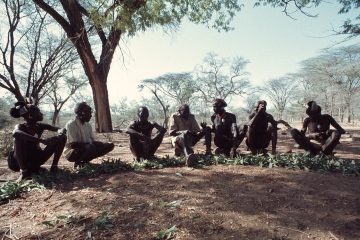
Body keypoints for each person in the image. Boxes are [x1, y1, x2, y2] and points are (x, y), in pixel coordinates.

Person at [8, 102, 67, 181]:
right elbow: (15, 133)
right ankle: (24, 172)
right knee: (18, 139)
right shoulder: (20, 127)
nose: (41, 114)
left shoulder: (40, 126)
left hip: (36, 159)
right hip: (20, 162)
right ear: (30, 115)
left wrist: (60, 134)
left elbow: (61, 129)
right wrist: (41, 140)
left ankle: (54, 167)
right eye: (38, 112)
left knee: (62, 138)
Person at [64, 102, 114, 168]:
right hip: (72, 153)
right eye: (88, 113)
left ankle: (85, 163)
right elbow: (73, 145)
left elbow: (91, 141)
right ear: (81, 113)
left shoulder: (88, 125)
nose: (90, 115)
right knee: (91, 147)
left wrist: (98, 143)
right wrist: (90, 144)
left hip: (87, 148)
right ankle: (78, 163)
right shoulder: (71, 125)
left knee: (109, 145)